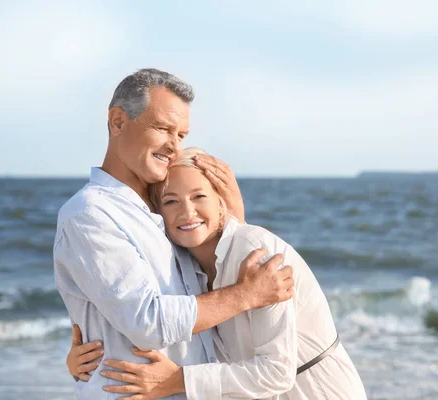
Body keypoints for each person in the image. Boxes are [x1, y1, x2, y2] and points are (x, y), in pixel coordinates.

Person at [54, 69, 295, 400]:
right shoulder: (89, 214)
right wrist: (247, 294)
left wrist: (233, 212)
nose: (173, 145)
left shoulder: (164, 208)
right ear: (118, 121)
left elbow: (211, 275)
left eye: (181, 134)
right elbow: (148, 322)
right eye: (163, 128)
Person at [68, 148, 367, 399]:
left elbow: (277, 372)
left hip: (319, 391)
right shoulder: (184, 265)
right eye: (171, 201)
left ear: (220, 201)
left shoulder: (255, 251)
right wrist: (85, 354)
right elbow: (148, 313)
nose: (187, 212)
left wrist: (177, 380)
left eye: (199, 196)